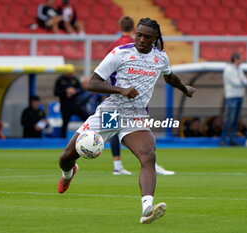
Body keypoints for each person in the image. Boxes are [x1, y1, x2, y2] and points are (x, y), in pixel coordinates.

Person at [57, 18, 196, 224]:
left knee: (148, 157)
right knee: (66, 157)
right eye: (139, 34)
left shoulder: (160, 58)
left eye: (146, 36)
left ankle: (147, 208)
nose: (141, 39)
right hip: (112, 112)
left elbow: (169, 76)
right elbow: (93, 83)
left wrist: (184, 88)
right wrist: (120, 90)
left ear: (155, 38)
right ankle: (69, 173)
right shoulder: (120, 53)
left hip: (136, 116)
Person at [105, 16, 175, 176]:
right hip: (135, 95)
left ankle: (117, 165)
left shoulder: (114, 45)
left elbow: (106, 68)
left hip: (112, 93)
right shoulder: (136, 43)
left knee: (110, 129)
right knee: (142, 131)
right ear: (133, 29)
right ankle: (152, 165)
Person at [220, 53, 247, 146]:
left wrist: (242, 81)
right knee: (230, 119)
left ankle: (232, 140)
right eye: (241, 58)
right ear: (236, 59)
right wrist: (242, 80)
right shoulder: (228, 69)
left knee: (236, 120)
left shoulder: (240, 70)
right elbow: (236, 82)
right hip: (232, 97)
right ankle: (223, 139)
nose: (242, 60)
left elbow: (246, 82)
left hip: (239, 96)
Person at [54, 73, 89, 138]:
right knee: (65, 123)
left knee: (87, 117)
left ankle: (88, 134)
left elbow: (81, 89)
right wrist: (66, 92)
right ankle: (63, 139)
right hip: (65, 106)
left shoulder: (74, 79)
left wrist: (74, 91)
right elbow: (56, 92)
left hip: (75, 105)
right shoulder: (60, 80)